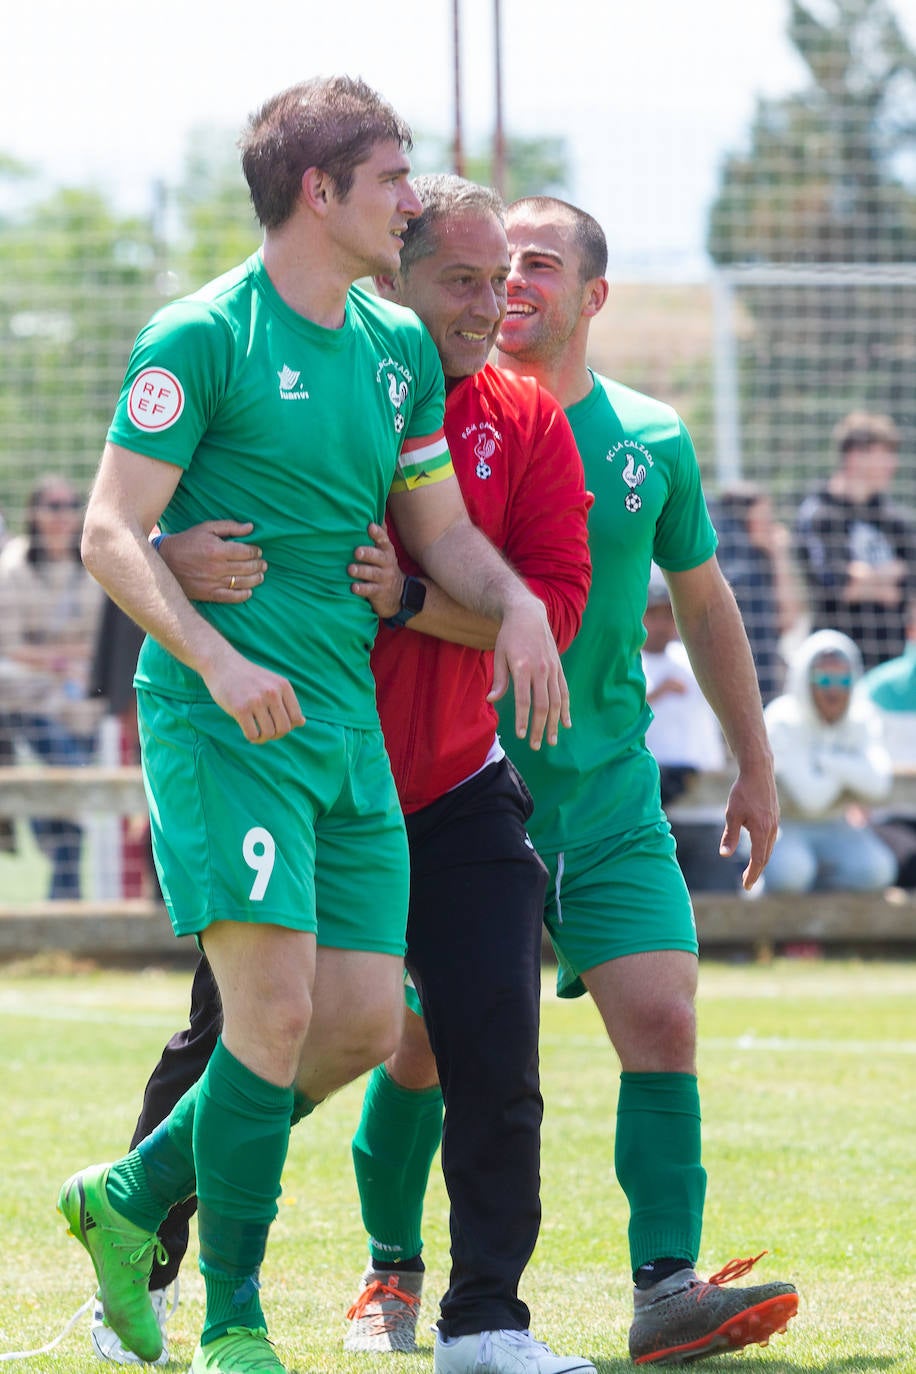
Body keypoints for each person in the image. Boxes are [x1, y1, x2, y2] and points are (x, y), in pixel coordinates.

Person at [57, 83, 571, 1374]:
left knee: (356, 1027)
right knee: (273, 1016)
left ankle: (126, 1193)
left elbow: (439, 527)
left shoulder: (395, 351)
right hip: (223, 718)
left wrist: (510, 607)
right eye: (394, 177)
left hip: (344, 726)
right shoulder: (203, 333)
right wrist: (220, 659)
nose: (412, 197)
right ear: (320, 193)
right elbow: (110, 531)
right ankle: (236, 1316)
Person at [330, 196, 798, 1368]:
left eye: (537, 265)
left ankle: (665, 1289)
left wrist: (753, 758)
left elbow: (701, 602)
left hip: (606, 797)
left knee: (664, 1015)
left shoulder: (650, 441)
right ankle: (392, 1265)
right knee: (424, 1050)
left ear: (593, 295)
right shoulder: (423, 415)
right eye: (494, 267)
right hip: (460, 794)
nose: (511, 286)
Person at [0, 475, 105, 897]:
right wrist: (61, 659)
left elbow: (103, 641)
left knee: (66, 810)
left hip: (81, 703)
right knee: (72, 782)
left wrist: (52, 654)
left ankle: (39, 821)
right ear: (34, 512)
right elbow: (8, 645)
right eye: (52, 506)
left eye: (69, 505)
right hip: (28, 701)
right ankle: (65, 896)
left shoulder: (93, 563)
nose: (61, 516)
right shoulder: (14, 565)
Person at [762, 629, 897, 894]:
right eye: (824, 678)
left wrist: (826, 760)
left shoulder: (862, 716)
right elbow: (812, 800)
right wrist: (850, 764)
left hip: (838, 825)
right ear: (805, 679)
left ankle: (829, 927)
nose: (834, 689)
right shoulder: (781, 719)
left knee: (877, 869)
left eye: (842, 679)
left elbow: (879, 784)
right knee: (792, 873)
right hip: (785, 826)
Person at [640, 572, 742, 894]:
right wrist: (656, 693)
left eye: (667, 614)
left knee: (718, 890)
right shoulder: (625, 662)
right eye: (652, 614)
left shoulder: (692, 661)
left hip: (703, 804)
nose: (661, 623)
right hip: (650, 810)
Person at [795, 410, 916, 672]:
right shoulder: (819, 513)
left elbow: (908, 584)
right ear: (855, 456)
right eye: (883, 455)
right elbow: (840, 585)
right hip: (835, 666)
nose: (891, 465)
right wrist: (887, 579)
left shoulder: (894, 518)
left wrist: (865, 579)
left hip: (890, 662)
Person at [711, 481, 804, 703]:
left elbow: (789, 620)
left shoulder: (764, 560)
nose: (771, 526)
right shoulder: (728, 565)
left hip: (765, 675)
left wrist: (779, 556)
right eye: (764, 519)